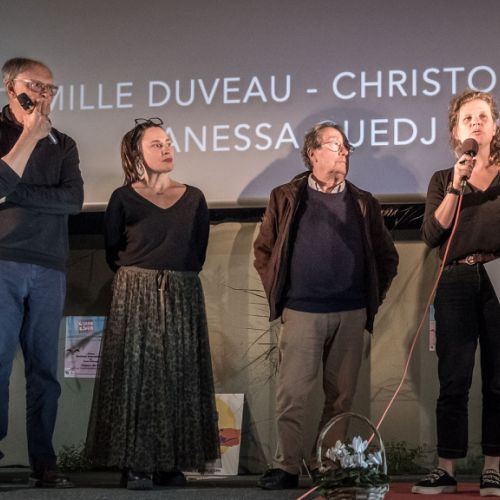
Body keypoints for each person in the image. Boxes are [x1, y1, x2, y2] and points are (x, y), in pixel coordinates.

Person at [253, 120, 399, 490]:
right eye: (335, 145)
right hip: (302, 311)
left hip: (350, 313)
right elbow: (264, 250)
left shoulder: (364, 202)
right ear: (313, 153)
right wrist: (282, 297)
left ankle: (329, 465)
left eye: (346, 146)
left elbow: (387, 258)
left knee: (342, 397)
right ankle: (286, 466)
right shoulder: (286, 196)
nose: (345, 151)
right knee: (292, 395)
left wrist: (370, 302)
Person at [85, 118, 220, 490]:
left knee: (179, 374)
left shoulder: (194, 198)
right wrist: (141, 278)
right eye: (156, 144)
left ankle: (170, 462)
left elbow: (197, 251)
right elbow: (114, 250)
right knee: (137, 377)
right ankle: (137, 462)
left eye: (168, 143)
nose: (166, 149)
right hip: (136, 291)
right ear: (137, 155)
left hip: (181, 291)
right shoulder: (123, 198)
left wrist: (174, 280)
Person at [0, 57, 83, 488]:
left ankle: (44, 462)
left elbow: (72, 200)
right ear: (11, 88)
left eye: (51, 88)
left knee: (44, 371)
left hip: (50, 264)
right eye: (37, 86)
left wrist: (15, 193)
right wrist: (28, 137)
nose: (45, 95)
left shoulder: (63, 144)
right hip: (4, 260)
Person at [413, 90, 500, 496]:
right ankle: (446, 467)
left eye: (483, 116)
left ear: (495, 126)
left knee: (498, 378)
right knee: (453, 379)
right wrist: (455, 185)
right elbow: (432, 233)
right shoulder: (443, 179)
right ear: (455, 131)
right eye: (468, 118)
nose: (476, 123)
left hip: (498, 273)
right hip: (455, 279)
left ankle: (493, 467)